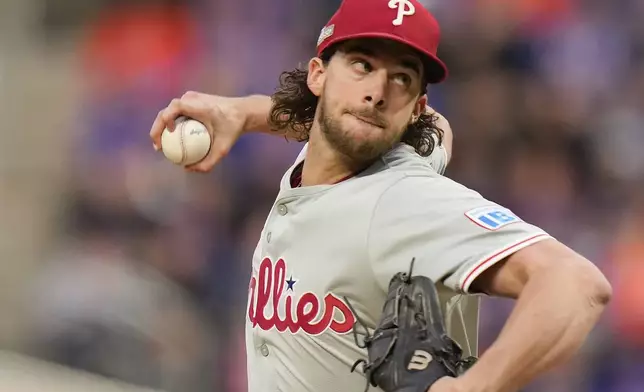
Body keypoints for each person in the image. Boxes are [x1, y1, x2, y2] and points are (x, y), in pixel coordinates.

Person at [149, 0, 612, 391]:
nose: (377, 92)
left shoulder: (406, 201)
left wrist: (479, 384)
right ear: (318, 75)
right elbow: (356, 125)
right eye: (362, 65)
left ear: (416, 108)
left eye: (402, 80)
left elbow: (577, 285)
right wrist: (244, 112)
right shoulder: (341, 154)